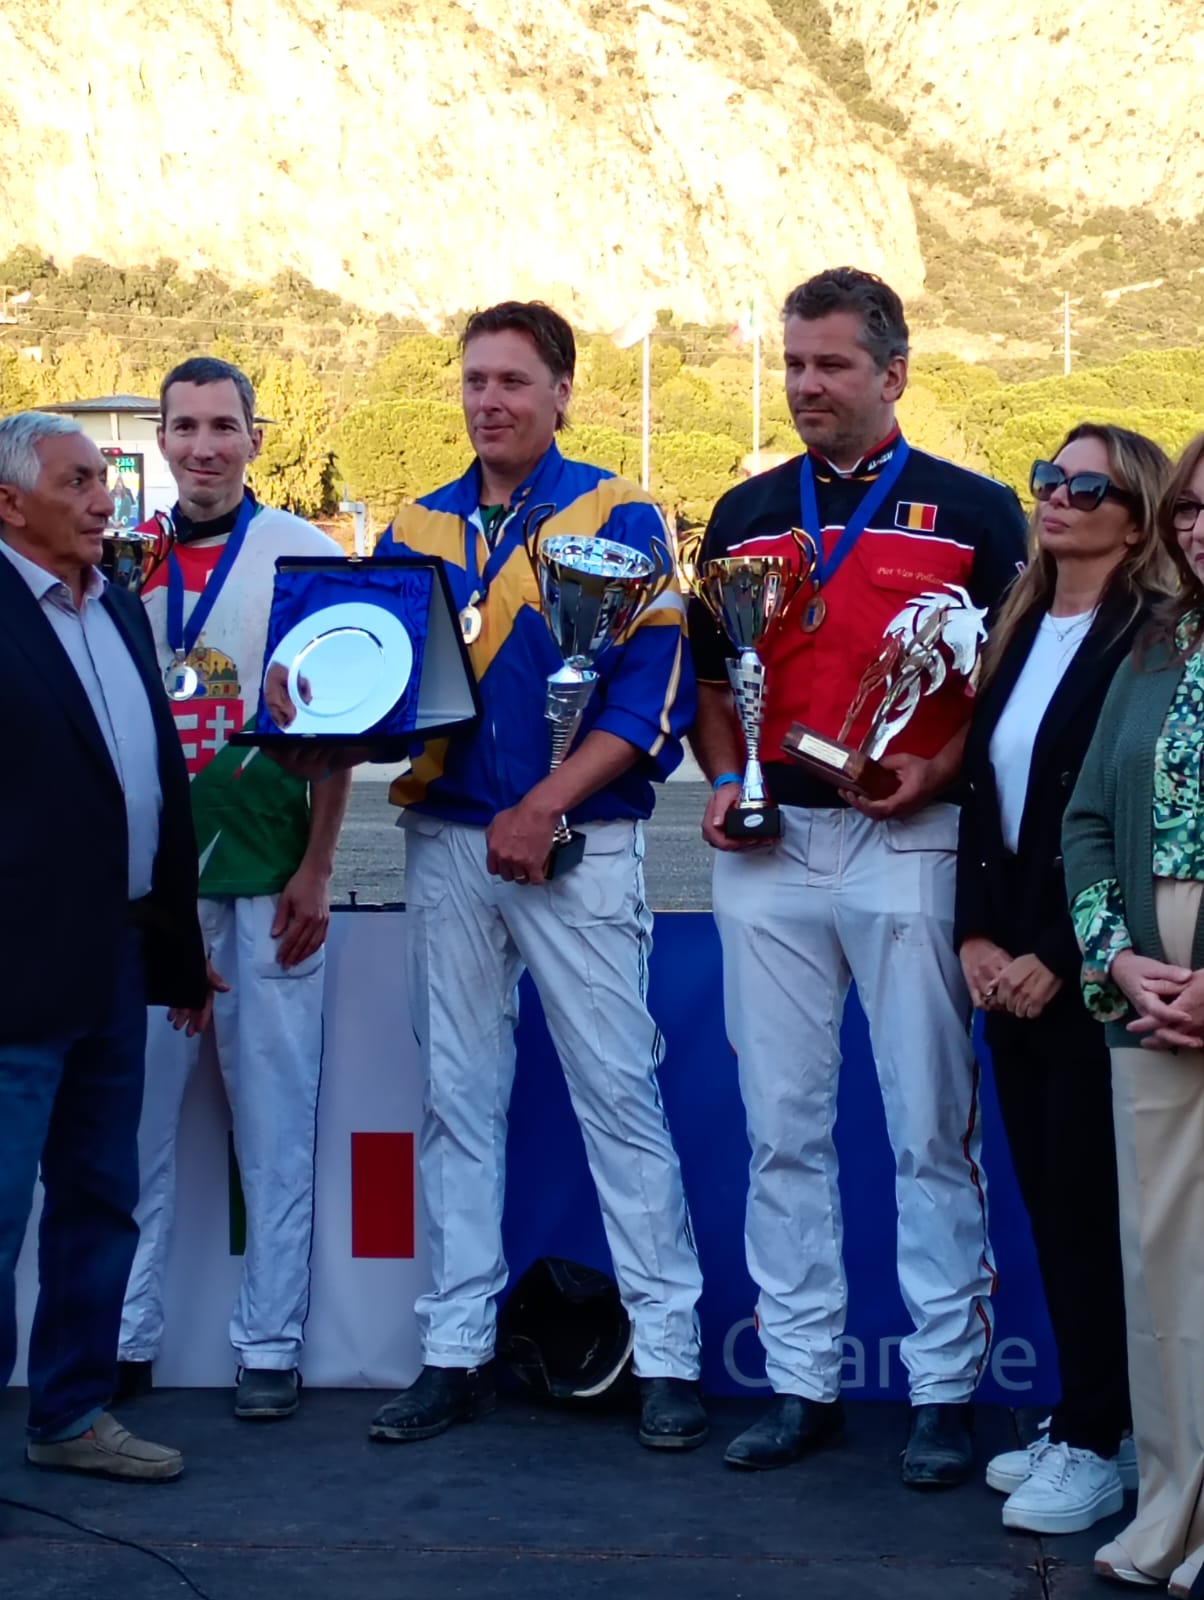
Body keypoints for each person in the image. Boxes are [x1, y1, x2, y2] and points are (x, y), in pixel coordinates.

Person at [687, 267, 1027, 1486]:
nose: (806, 385)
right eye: (793, 363)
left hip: (908, 839)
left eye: (830, 363)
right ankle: (800, 1384)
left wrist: (938, 770)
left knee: (928, 1126)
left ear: (893, 372)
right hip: (770, 848)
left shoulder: (977, 513)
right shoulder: (742, 512)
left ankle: (941, 1391)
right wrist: (727, 780)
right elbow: (713, 683)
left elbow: (1006, 692)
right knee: (780, 1128)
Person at [366, 300, 707, 1451]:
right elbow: (383, 684)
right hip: (449, 841)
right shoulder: (417, 522)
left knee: (619, 1094)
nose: (489, 400)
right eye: (474, 380)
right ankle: (455, 1349)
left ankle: (667, 1354)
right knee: (456, 1102)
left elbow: (653, 695)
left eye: (513, 380)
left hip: (577, 844)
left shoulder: (619, 510)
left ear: (562, 392)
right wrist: (311, 706)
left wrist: (544, 801)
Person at [115, 358, 351, 1420]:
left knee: (274, 1125)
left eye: (223, 426)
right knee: (136, 1132)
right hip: (151, 893)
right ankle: (125, 1337)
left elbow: (339, 728)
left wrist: (318, 866)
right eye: (185, 426)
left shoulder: (304, 552)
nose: (203, 446)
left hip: (269, 878)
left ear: (256, 436)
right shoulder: (123, 555)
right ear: (161, 438)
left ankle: (269, 1344)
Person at [956, 425, 1174, 1534]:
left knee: (1095, 1212)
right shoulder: (1020, 620)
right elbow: (984, 797)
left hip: (1091, 970)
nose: (1056, 497)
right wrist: (973, 937)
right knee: (1051, 1201)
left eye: (1087, 487)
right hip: (1009, 966)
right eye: (1048, 477)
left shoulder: (1151, 639)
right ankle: (1103, 1418)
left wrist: (1059, 949)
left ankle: (1096, 1441)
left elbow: (1108, 821)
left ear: (1135, 519)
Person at [0, 411, 207, 1480]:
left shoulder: (118, 604)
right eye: (77, 482)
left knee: (98, 1200)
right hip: (14, 974)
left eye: (102, 480)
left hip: (117, 961)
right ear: (9, 504)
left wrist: (174, 948)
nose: (103, 499)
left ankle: (70, 1415)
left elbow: (152, 782)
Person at [1063, 432, 1204, 1597]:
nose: (1198, 529)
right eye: (1189, 510)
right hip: (1148, 988)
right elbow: (1086, 821)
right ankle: (1172, 1508)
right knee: (1161, 1265)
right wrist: (1115, 952)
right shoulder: (1155, 644)